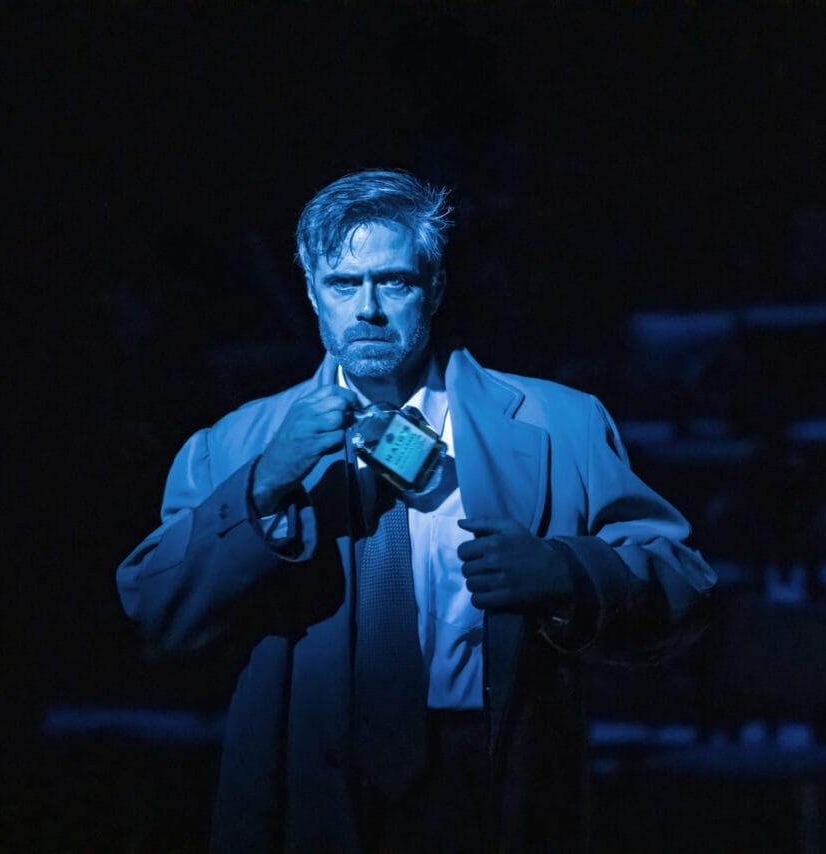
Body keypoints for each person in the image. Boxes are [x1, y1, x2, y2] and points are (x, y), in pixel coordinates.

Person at [117, 170, 714, 852]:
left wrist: (563, 571)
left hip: (490, 783)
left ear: (433, 289)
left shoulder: (559, 424)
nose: (368, 308)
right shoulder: (235, 443)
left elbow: (686, 584)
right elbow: (153, 607)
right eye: (345, 284)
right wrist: (262, 485)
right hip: (309, 788)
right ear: (313, 292)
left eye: (393, 281)